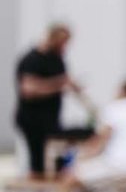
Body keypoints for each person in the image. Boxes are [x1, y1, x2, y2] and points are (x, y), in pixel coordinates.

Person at [62, 79, 126, 191]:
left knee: (70, 177)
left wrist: (78, 156)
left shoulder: (117, 107)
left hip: (118, 167)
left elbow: (98, 143)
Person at [12, 23, 83, 178]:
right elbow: (29, 90)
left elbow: (64, 82)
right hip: (32, 119)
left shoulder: (57, 60)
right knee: (37, 161)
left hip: (51, 119)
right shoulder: (32, 59)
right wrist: (59, 84)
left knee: (58, 159)